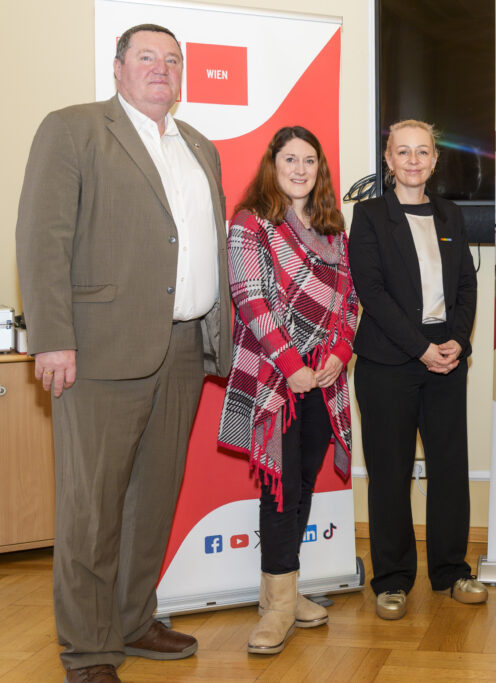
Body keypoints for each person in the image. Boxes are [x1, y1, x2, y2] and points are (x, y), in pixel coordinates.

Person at [15, 24, 231, 683]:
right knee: (92, 508)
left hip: (184, 348)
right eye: (147, 57)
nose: (162, 68)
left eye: (173, 60)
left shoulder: (199, 146)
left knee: (152, 499)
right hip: (98, 351)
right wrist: (52, 337)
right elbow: (41, 239)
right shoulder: (73, 129)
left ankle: (134, 620)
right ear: (118, 68)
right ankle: (88, 649)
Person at [217, 126, 358, 654]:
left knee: (301, 483)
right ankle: (277, 608)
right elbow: (249, 298)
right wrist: (291, 363)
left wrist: (340, 352)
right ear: (272, 165)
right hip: (276, 377)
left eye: (309, 161)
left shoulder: (333, 228)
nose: (300, 170)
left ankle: (284, 589)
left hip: (325, 380)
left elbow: (350, 301)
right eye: (290, 160)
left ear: (320, 169)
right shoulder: (251, 222)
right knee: (279, 488)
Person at [349, 120, 485, 621]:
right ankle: (391, 579)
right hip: (388, 363)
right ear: (388, 159)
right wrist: (421, 348)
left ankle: (451, 571)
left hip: (446, 359)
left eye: (422, 151)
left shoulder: (450, 213)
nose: (412, 160)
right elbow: (372, 293)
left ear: (434, 160)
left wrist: (458, 342)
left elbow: (466, 286)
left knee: (450, 468)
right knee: (390, 473)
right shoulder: (368, 216)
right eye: (402, 151)